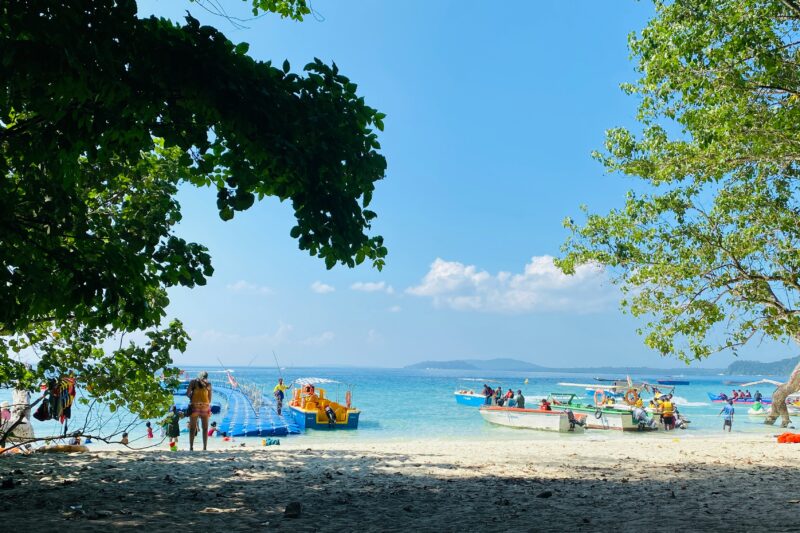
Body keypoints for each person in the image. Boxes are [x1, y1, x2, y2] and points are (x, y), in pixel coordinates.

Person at [186, 371, 213, 451]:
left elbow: (188, 393)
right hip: (205, 407)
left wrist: (192, 397)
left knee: (193, 428)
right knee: (204, 428)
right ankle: (204, 447)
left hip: (195, 406)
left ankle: (192, 447)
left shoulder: (193, 382)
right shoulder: (208, 384)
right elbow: (209, 399)